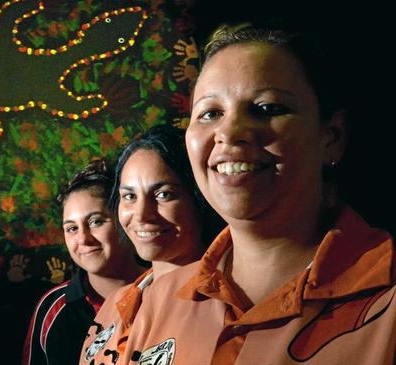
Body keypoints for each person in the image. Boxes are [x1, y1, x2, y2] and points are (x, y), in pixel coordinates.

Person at [122, 23, 396, 365]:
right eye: (210, 113)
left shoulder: (386, 300)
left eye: (268, 108)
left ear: (332, 136)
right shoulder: (160, 302)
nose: (231, 132)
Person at [79, 124, 222, 364]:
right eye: (129, 196)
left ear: (200, 200)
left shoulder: (223, 306)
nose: (142, 215)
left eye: (163, 194)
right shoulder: (115, 303)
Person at [22, 159, 146, 365]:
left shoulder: (161, 288)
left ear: (123, 219)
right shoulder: (54, 309)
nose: (83, 239)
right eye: (72, 228)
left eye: (95, 221)